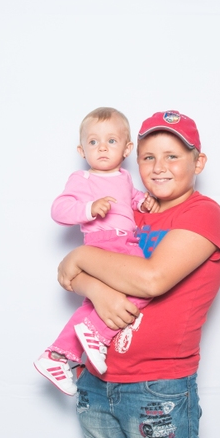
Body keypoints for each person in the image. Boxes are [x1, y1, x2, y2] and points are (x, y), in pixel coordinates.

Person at [57, 110, 220, 438]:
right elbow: (68, 277)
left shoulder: (202, 213)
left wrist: (81, 256)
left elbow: (152, 279)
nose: (159, 167)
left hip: (157, 388)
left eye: (172, 156)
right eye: (149, 157)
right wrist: (96, 288)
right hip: (96, 380)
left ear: (198, 162)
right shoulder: (131, 212)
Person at [34, 107, 159, 396]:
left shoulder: (124, 178)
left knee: (93, 307)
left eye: (111, 141)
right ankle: (98, 334)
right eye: (93, 142)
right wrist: (90, 208)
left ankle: (55, 357)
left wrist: (143, 202)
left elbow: (131, 199)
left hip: (123, 241)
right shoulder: (83, 179)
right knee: (145, 286)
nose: (102, 147)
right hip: (106, 243)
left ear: (127, 149)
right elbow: (59, 209)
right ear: (82, 150)